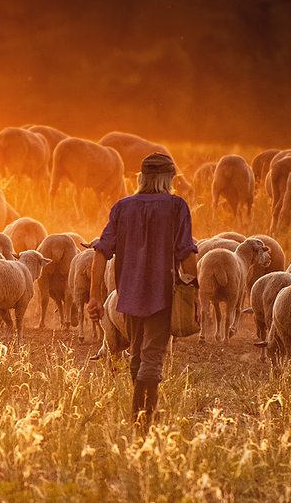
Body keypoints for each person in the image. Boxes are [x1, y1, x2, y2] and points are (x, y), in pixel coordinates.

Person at [87, 151, 197, 429]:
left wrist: (95, 296)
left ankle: (140, 415)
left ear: (142, 178)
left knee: (136, 354)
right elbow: (186, 253)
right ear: (168, 178)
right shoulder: (176, 206)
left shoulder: (122, 206)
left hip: (128, 293)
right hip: (162, 294)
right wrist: (193, 291)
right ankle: (143, 420)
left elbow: (101, 252)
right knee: (151, 357)